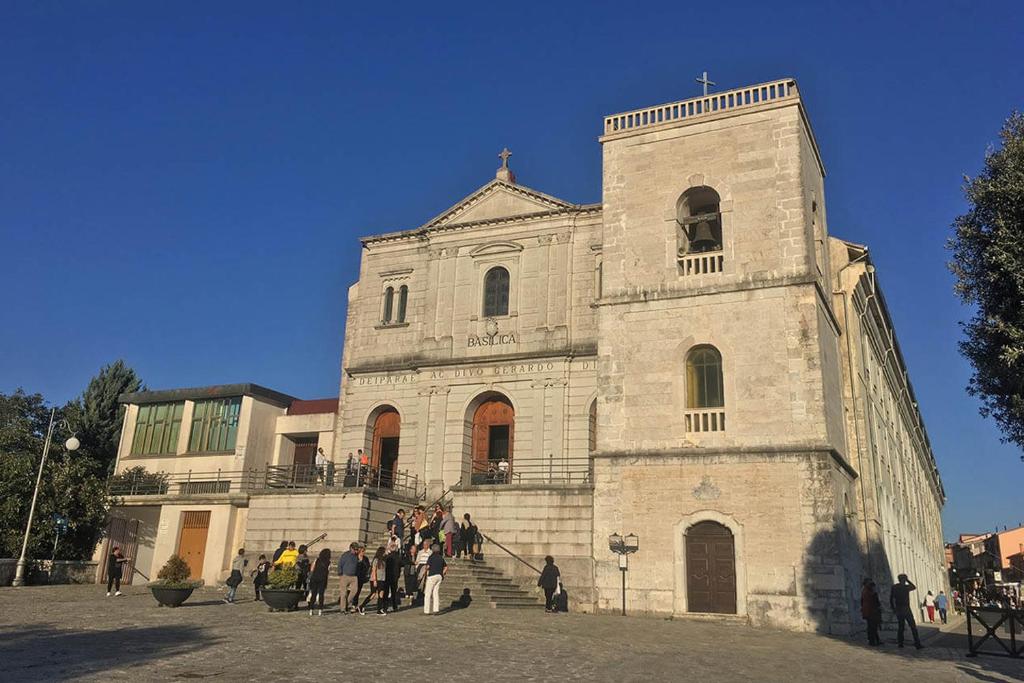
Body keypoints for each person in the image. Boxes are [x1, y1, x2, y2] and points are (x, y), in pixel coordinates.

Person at [890, 574, 923, 649]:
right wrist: (908, 580)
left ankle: (900, 643)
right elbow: (914, 587)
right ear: (904, 579)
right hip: (906, 608)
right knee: (913, 627)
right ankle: (917, 643)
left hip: (898, 608)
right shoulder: (906, 587)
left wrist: (893, 608)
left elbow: (891, 598)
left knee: (901, 626)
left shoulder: (895, 587)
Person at [337, 542, 361, 613]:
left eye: (357, 549)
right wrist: (340, 573)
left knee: (354, 591)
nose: (356, 551)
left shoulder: (357, 556)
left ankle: (346, 604)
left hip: (354, 576)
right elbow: (340, 564)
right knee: (343, 593)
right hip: (345, 575)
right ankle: (343, 609)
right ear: (351, 548)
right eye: (355, 549)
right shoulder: (345, 555)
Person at [424, 543, 447, 614]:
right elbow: (446, 567)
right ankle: (436, 609)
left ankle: (426, 610)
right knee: (435, 593)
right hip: (439, 576)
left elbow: (427, 567)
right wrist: (442, 573)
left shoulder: (431, 557)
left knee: (428, 593)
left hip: (432, 575)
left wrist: (425, 571)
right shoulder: (441, 557)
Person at [308, 548, 331, 616]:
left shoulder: (317, 559)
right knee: (321, 594)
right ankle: (320, 610)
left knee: (313, 593)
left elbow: (312, 568)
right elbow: (328, 571)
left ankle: (311, 609)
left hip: (315, 577)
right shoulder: (328, 562)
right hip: (323, 579)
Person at [860, 578, 882, 646]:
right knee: (872, 627)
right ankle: (872, 641)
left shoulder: (865, 590)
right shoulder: (868, 591)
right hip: (871, 611)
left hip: (869, 611)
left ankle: (876, 640)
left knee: (872, 626)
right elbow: (874, 601)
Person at [385, 531, 403, 612]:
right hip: (395, 576)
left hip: (387, 576)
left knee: (386, 591)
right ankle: (394, 606)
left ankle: (385, 606)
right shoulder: (398, 557)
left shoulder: (387, 557)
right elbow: (401, 565)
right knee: (393, 592)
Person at [368, 546, 388, 615]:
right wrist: (374, 580)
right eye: (384, 551)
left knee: (381, 594)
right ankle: (362, 606)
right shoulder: (376, 560)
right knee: (373, 594)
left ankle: (379, 609)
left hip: (382, 579)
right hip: (376, 579)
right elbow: (374, 570)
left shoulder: (383, 560)